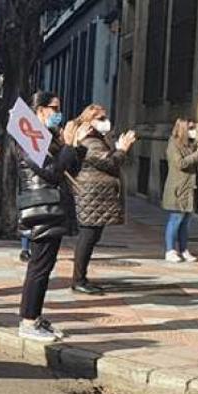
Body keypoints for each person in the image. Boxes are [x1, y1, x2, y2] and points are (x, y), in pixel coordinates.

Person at [16, 91, 85, 343]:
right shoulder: (28, 139)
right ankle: (27, 321)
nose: (58, 113)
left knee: (45, 266)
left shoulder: (48, 138)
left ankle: (34, 316)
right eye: (54, 108)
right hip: (41, 209)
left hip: (53, 209)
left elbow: (71, 168)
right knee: (38, 266)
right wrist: (67, 145)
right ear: (40, 110)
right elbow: (52, 173)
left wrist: (76, 145)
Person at [70, 104, 137, 295]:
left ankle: (81, 277)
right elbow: (109, 162)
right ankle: (78, 279)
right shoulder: (89, 141)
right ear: (90, 122)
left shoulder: (98, 139)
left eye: (105, 117)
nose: (105, 122)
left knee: (92, 236)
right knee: (88, 235)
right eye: (100, 119)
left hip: (97, 195)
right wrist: (122, 149)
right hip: (91, 195)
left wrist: (118, 149)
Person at [163, 117, 198, 262]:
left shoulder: (192, 145)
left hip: (191, 188)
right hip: (178, 188)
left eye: (194, 128)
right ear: (183, 129)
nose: (193, 131)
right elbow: (180, 164)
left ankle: (184, 250)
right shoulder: (174, 144)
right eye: (190, 128)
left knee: (186, 222)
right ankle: (170, 250)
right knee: (176, 219)